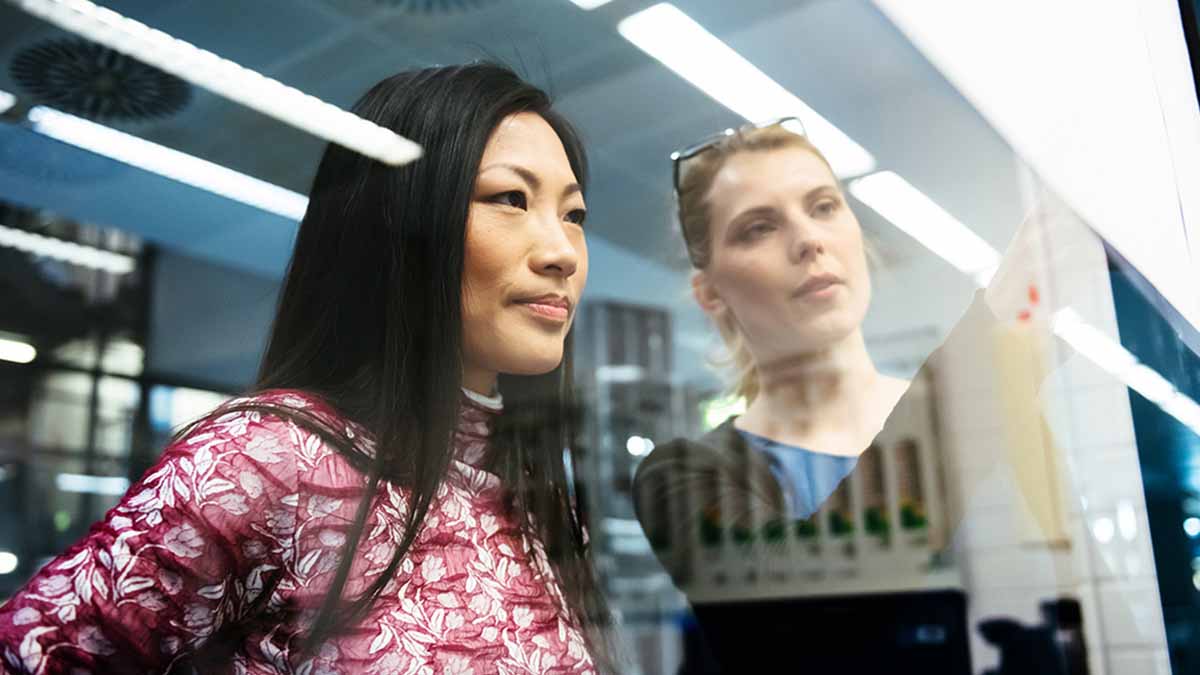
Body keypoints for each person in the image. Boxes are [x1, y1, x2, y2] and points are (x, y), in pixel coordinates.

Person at [0, 62, 613, 674]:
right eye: (511, 198)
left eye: (574, 215)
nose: (562, 252)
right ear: (402, 224)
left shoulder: (538, 499)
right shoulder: (266, 458)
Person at [631, 119, 913, 672]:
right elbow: (803, 630)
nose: (809, 240)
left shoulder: (963, 418)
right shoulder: (685, 477)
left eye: (824, 206)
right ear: (710, 292)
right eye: (759, 227)